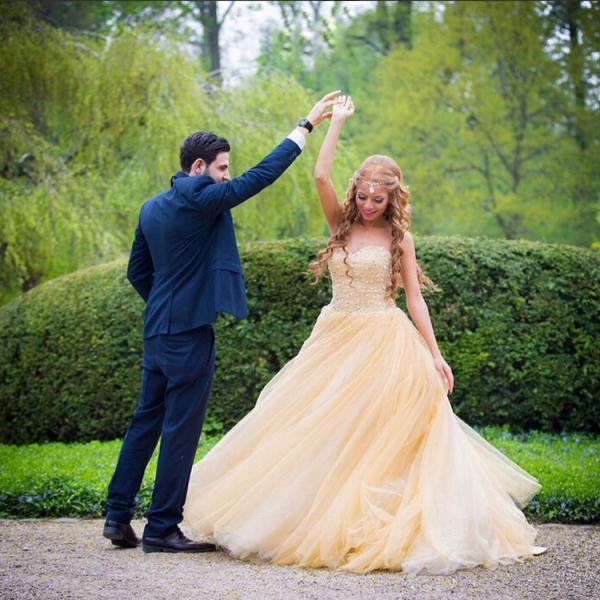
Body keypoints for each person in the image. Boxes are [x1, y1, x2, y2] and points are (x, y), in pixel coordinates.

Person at [182, 95, 546, 574]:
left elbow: (414, 299)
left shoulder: (400, 240)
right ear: (354, 193)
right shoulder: (340, 223)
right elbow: (319, 176)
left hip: (384, 340)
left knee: (385, 435)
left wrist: (436, 355)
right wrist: (334, 124)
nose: (369, 206)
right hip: (335, 336)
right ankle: (310, 515)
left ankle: (381, 520)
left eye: (379, 200)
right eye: (363, 197)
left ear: (393, 199)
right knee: (318, 428)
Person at [103, 90, 342, 554]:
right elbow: (263, 176)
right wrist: (305, 125)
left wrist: (164, 308)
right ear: (199, 168)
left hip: (157, 331)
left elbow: (138, 272)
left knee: (144, 423)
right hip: (189, 335)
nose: (228, 176)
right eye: (222, 168)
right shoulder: (203, 199)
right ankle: (161, 529)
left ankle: (116, 516)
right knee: (179, 429)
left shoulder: (152, 207)